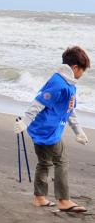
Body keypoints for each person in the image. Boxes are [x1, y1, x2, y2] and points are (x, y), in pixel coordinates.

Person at [14, 46, 91, 213]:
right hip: (47, 130)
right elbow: (38, 102)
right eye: (82, 71)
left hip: (43, 129)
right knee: (61, 160)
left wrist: (78, 131)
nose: (82, 75)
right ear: (75, 68)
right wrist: (25, 121)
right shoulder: (59, 83)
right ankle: (63, 200)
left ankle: (39, 197)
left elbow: (69, 110)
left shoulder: (67, 84)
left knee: (44, 162)